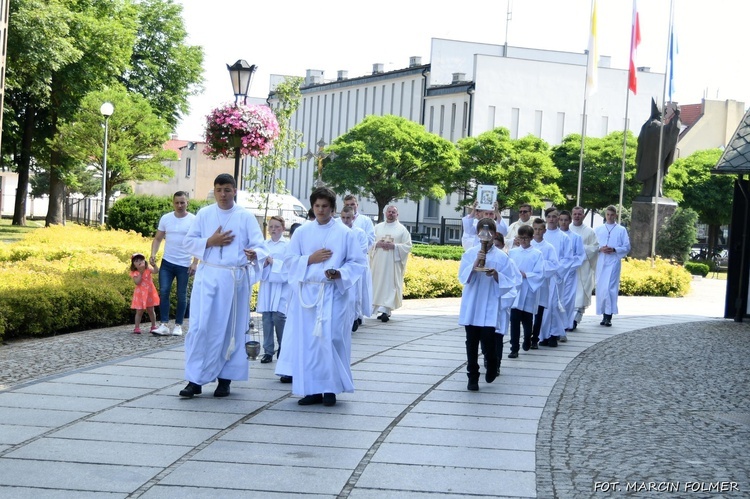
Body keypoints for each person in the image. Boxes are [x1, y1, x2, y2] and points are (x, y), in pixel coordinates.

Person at [275, 187, 367, 407]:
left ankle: (331, 389)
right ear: (312, 206)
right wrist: (310, 259)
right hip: (308, 294)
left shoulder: (345, 233)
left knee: (332, 338)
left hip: (333, 292)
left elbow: (357, 262)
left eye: (325, 206)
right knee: (309, 342)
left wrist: (339, 273)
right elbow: (289, 260)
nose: (321, 210)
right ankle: (312, 389)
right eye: (317, 206)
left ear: (333, 208)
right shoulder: (302, 232)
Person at [179, 173, 268, 398]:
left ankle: (225, 379)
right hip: (208, 277)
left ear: (235, 190)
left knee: (231, 328)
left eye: (227, 190)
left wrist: (253, 253)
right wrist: (210, 241)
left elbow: (260, 245)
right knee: (200, 328)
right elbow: (188, 242)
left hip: (233, 280)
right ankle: (195, 379)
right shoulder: (205, 214)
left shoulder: (245, 217)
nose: (223, 194)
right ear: (214, 190)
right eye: (219, 190)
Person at [458, 218, 520, 391]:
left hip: (490, 303)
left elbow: (512, 280)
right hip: (473, 302)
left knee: (488, 341)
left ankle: (492, 363)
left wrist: (496, 274)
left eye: (489, 232)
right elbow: (462, 277)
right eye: (482, 232)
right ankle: (472, 375)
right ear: (478, 233)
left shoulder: (501, 257)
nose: (485, 236)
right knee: (471, 341)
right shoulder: (470, 253)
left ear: (494, 234)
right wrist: (476, 262)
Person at [150, 191, 197, 337]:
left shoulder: (193, 220)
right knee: (164, 291)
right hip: (167, 262)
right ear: (173, 203)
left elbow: (197, 243)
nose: (179, 205)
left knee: (181, 295)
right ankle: (164, 324)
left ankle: (178, 325)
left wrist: (195, 262)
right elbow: (158, 238)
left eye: (182, 202)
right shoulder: (166, 218)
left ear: (187, 202)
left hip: (184, 263)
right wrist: (153, 254)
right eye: (177, 202)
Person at [370, 205, 412, 322]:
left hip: (392, 264)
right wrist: (377, 244)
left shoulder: (402, 230)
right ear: (385, 213)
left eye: (393, 212)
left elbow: (408, 246)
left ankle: (385, 310)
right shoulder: (377, 227)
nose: (391, 214)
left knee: (390, 285)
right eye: (389, 212)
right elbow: (369, 242)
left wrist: (394, 246)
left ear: (397, 215)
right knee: (377, 284)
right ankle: (378, 308)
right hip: (379, 262)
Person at [257, 216, 290, 364]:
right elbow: (257, 264)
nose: (273, 229)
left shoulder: (288, 245)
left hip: (282, 285)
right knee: (266, 318)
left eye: (277, 227)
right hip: (268, 285)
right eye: (271, 227)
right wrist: (262, 264)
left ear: (283, 228)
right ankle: (268, 351)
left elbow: (289, 265)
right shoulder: (264, 245)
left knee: (279, 317)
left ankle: (284, 347)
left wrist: (273, 262)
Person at [508, 225, 545, 356]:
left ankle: (527, 339)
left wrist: (527, 275)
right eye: (521, 238)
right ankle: (514, 348)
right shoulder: (513, 252)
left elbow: (540, 273)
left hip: (529, 289)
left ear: (531, 238)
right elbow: (508, 269)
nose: (523, 241)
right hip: (516, 290)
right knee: (514, 321)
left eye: (526, 238)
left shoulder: (537, 254)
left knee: (528, 320)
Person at [536, 208, 571, 346]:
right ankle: (543, 335)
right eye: (549, 216)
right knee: (542, 306)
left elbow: (568, 259)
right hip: (541, 278)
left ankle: (554, 334)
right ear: (545, 218)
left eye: (554, 216)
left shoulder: (564, 237)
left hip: (556, 278)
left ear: (558, 218)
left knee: (554, 305)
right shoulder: (538, 238)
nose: (551, 219)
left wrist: (556, 272)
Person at [635, 99, 681, 198]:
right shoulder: (657, 126)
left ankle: (647, 193)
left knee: (648, 186)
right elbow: (670, 131)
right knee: (655, 182)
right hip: (656, 161)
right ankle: (655, 193)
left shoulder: (646, 126)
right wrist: (676, 117)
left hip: (645, 161)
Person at [594, 205, 631, 326]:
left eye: (612, 215)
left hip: (613, 262)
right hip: (601, 261)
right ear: (605, 215)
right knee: (601, 287)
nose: (610, 217)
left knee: (610, 288)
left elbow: (626, 246)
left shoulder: (621, 230)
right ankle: (603, 312)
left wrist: (615, 249)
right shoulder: (599, 229)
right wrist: (600, 248)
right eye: (608, 215)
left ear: (615, 215)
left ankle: (608, 316)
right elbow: (593, 245)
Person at [340, 205, 372, 331]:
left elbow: (363, 249)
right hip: (340, 268)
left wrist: (348, 255)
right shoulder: (337, 230)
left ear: (353, 218)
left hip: (353, 268)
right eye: (343, 217)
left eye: (348, 218)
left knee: (354, 296)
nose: (345, 220)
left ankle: (354, 318)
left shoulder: (359, 232)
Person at [530, 217, 560, 348]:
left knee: (539, 312)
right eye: (535, 229)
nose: (537, 232)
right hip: (529, 284)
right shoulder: (528, 246)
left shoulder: (549, 247)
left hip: (542, 284)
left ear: (544, 230)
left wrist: (540, 266)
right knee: (528, 313)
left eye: (540, 229)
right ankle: (527, 336)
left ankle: (535, 338)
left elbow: (554, 265)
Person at [568, 206, 599, 327]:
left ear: (583, 216)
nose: (577, 216)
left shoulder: (589, 231)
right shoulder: (567, 229)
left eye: (579, 214)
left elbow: (595, 247)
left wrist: (580, 250)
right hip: (569, 267)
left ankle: (575, 319)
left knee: (580, 294)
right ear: (572, 215)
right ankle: (567, 319)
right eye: (574, 214)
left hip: (583, 267)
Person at [557, 210, 585, 335]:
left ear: (569, 221)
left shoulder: (576, 237)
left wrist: (568, 267)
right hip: (555, 272)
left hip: (569, 272)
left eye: (565, 220)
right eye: (561, 220)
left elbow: (580, 256)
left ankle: (566, 323)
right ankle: (555, 323)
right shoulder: (553, 236)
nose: (563, 222)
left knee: (567, 299)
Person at [129, 253, 160, 334]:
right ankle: (137, 327)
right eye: (136, 261)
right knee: (139, 311)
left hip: (149, 292)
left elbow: (156, 271)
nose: (139, 262)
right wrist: (141, 272)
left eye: (141, 260)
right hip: (140, 293)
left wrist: (154, 265)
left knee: (151, 309)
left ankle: (153, 326)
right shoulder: (135, 272)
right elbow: (137, 282)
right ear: (133, 264)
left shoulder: (148, 268)